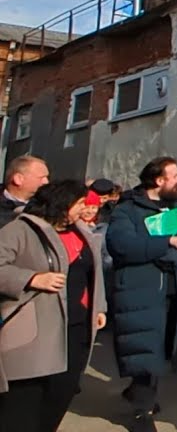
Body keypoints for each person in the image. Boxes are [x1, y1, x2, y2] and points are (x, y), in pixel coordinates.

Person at [107, 157, 177, 432]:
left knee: (161, 348)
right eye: (173, 176)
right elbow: (122, 244)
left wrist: (173, 249)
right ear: (158, 180)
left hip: (176, 290)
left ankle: (142, 396)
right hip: (141, 294)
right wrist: (168, 242)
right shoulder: (127, 209)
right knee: (144, 351)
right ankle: (142, 412)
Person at [0, 180, 108, 432]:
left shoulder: (83, 232)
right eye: (80, 203)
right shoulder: (21, 229)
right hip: (35, 330)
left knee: (60, 396)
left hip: (77, 329)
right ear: (62, 203)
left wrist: (98, 306)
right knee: (23, 406)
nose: (86, 209)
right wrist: (31, 278)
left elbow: (95, 273)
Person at [1, 155, 50, 227]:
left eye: (47, 177)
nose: (46, 182)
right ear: (18, 179)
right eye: (41, 177)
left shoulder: (48, 206)